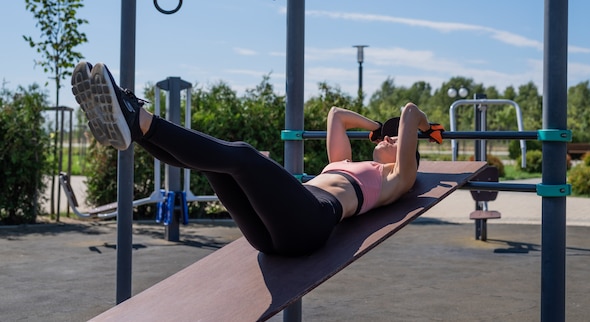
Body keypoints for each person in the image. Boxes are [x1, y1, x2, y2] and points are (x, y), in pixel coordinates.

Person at [71, 61, 444, 256]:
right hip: (273, 236)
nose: (390, 137)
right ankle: (135, 129)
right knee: (215, 163)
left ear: (407, 154)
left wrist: (424, 130)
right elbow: (336, 115)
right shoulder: (343, 162)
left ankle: (137, 117)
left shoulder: (398, 178)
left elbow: (411, 111)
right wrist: (379, 126)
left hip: (312, 222)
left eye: (396, 139)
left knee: (243, 156)